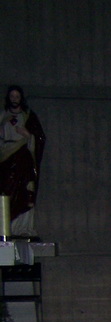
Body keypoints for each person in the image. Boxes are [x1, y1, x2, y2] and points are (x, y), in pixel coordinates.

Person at [0, 85, 46, 237]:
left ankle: (22, 227)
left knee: (25, 190)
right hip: (6, 159)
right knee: (6, 191)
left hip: (22, 158)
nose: (14, 99)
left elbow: (40, 138)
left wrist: (27, 135)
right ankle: (7, 226)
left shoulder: (28, 116)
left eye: (17, 97)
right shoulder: (2, 116)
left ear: (21, 99)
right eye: (12, 96)